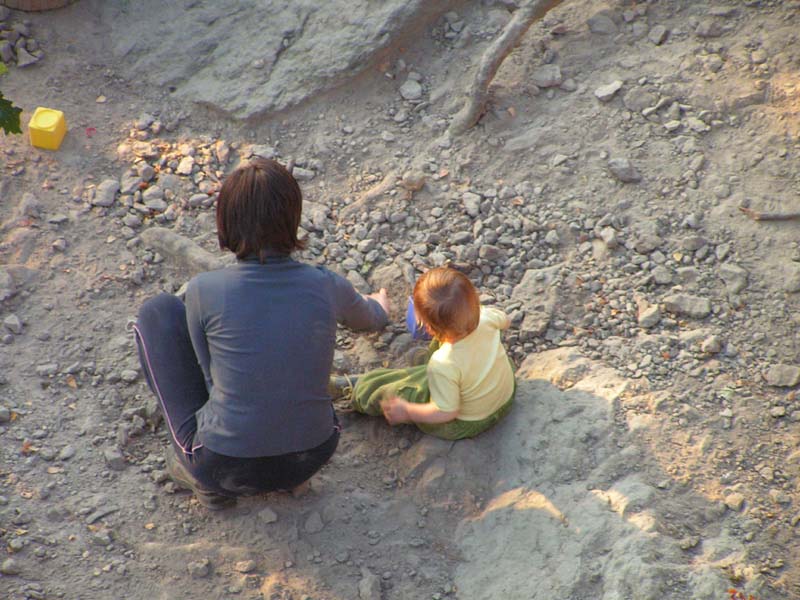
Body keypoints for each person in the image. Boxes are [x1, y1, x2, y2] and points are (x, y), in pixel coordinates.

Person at [132, 158, 389, 509]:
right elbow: (372, 319)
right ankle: (283, 478)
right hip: (313, 453)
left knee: (157, 311)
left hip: (222, 465)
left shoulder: (204, 289)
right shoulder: (325, 284)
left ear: (226, 222)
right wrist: (379, 304)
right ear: (293, 219)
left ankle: (200, 479)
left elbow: (208, 376)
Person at [349, 267, 515, 440]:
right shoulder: (486, 316)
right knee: (457, 338)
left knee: (406, 389)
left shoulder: (443, 363)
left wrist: (408, 411)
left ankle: (360, 391)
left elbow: (447, 412)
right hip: (506, 395)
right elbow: (506, 321)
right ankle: (435, 366)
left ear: (427, 327)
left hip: (468, 422)